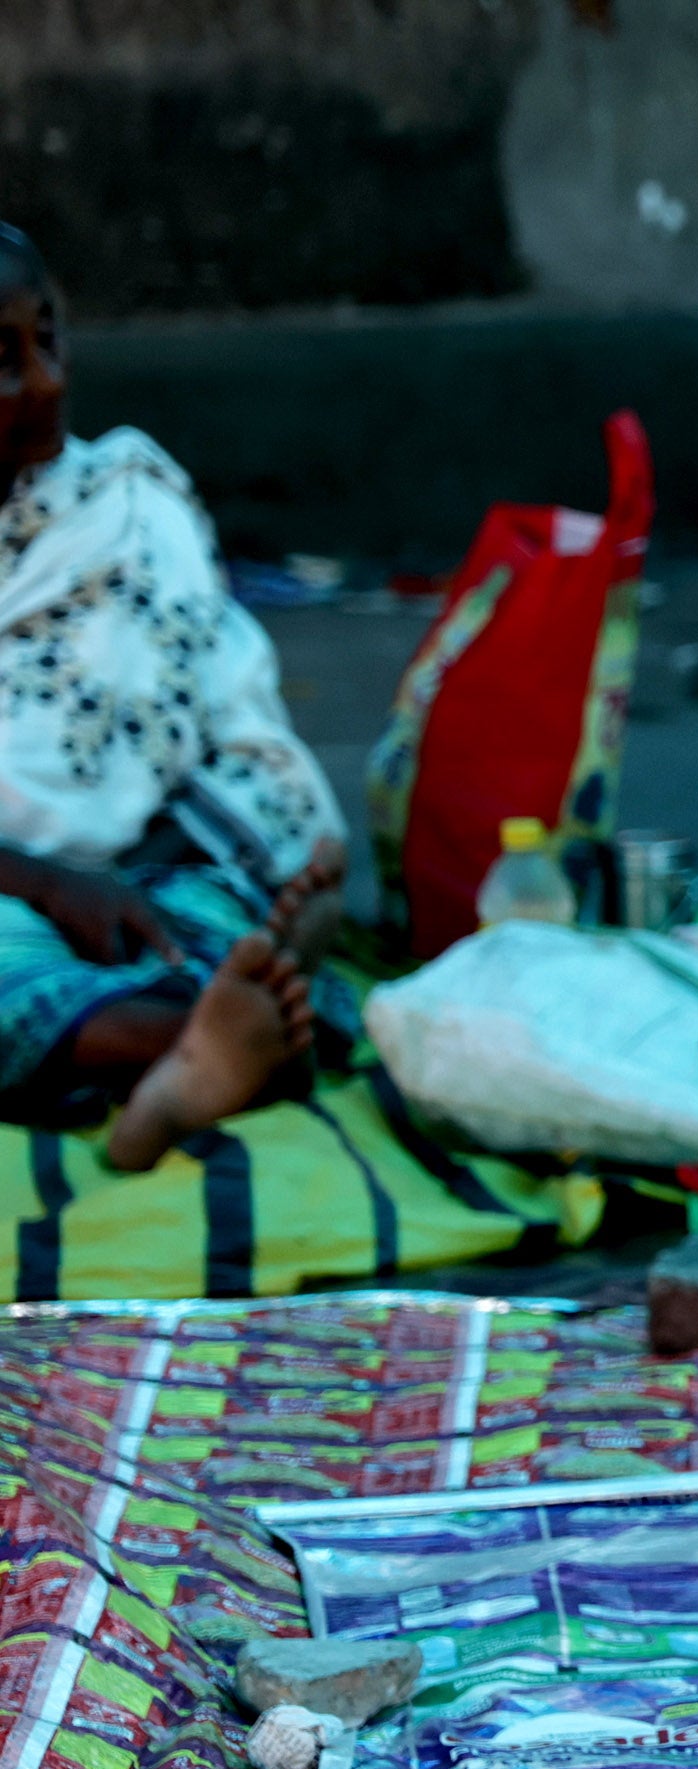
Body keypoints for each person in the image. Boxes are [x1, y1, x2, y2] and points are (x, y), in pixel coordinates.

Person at [0, 223, 347, 1170]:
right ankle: (200, 1047)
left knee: (198, 926)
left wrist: (99, 882)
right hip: (14, 891)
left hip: (162, 855)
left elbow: (156, 736)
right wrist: (52, 883)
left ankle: (213, 1020)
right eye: (0, 359)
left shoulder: (122, 501)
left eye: (49, 338)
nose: (44, 383)